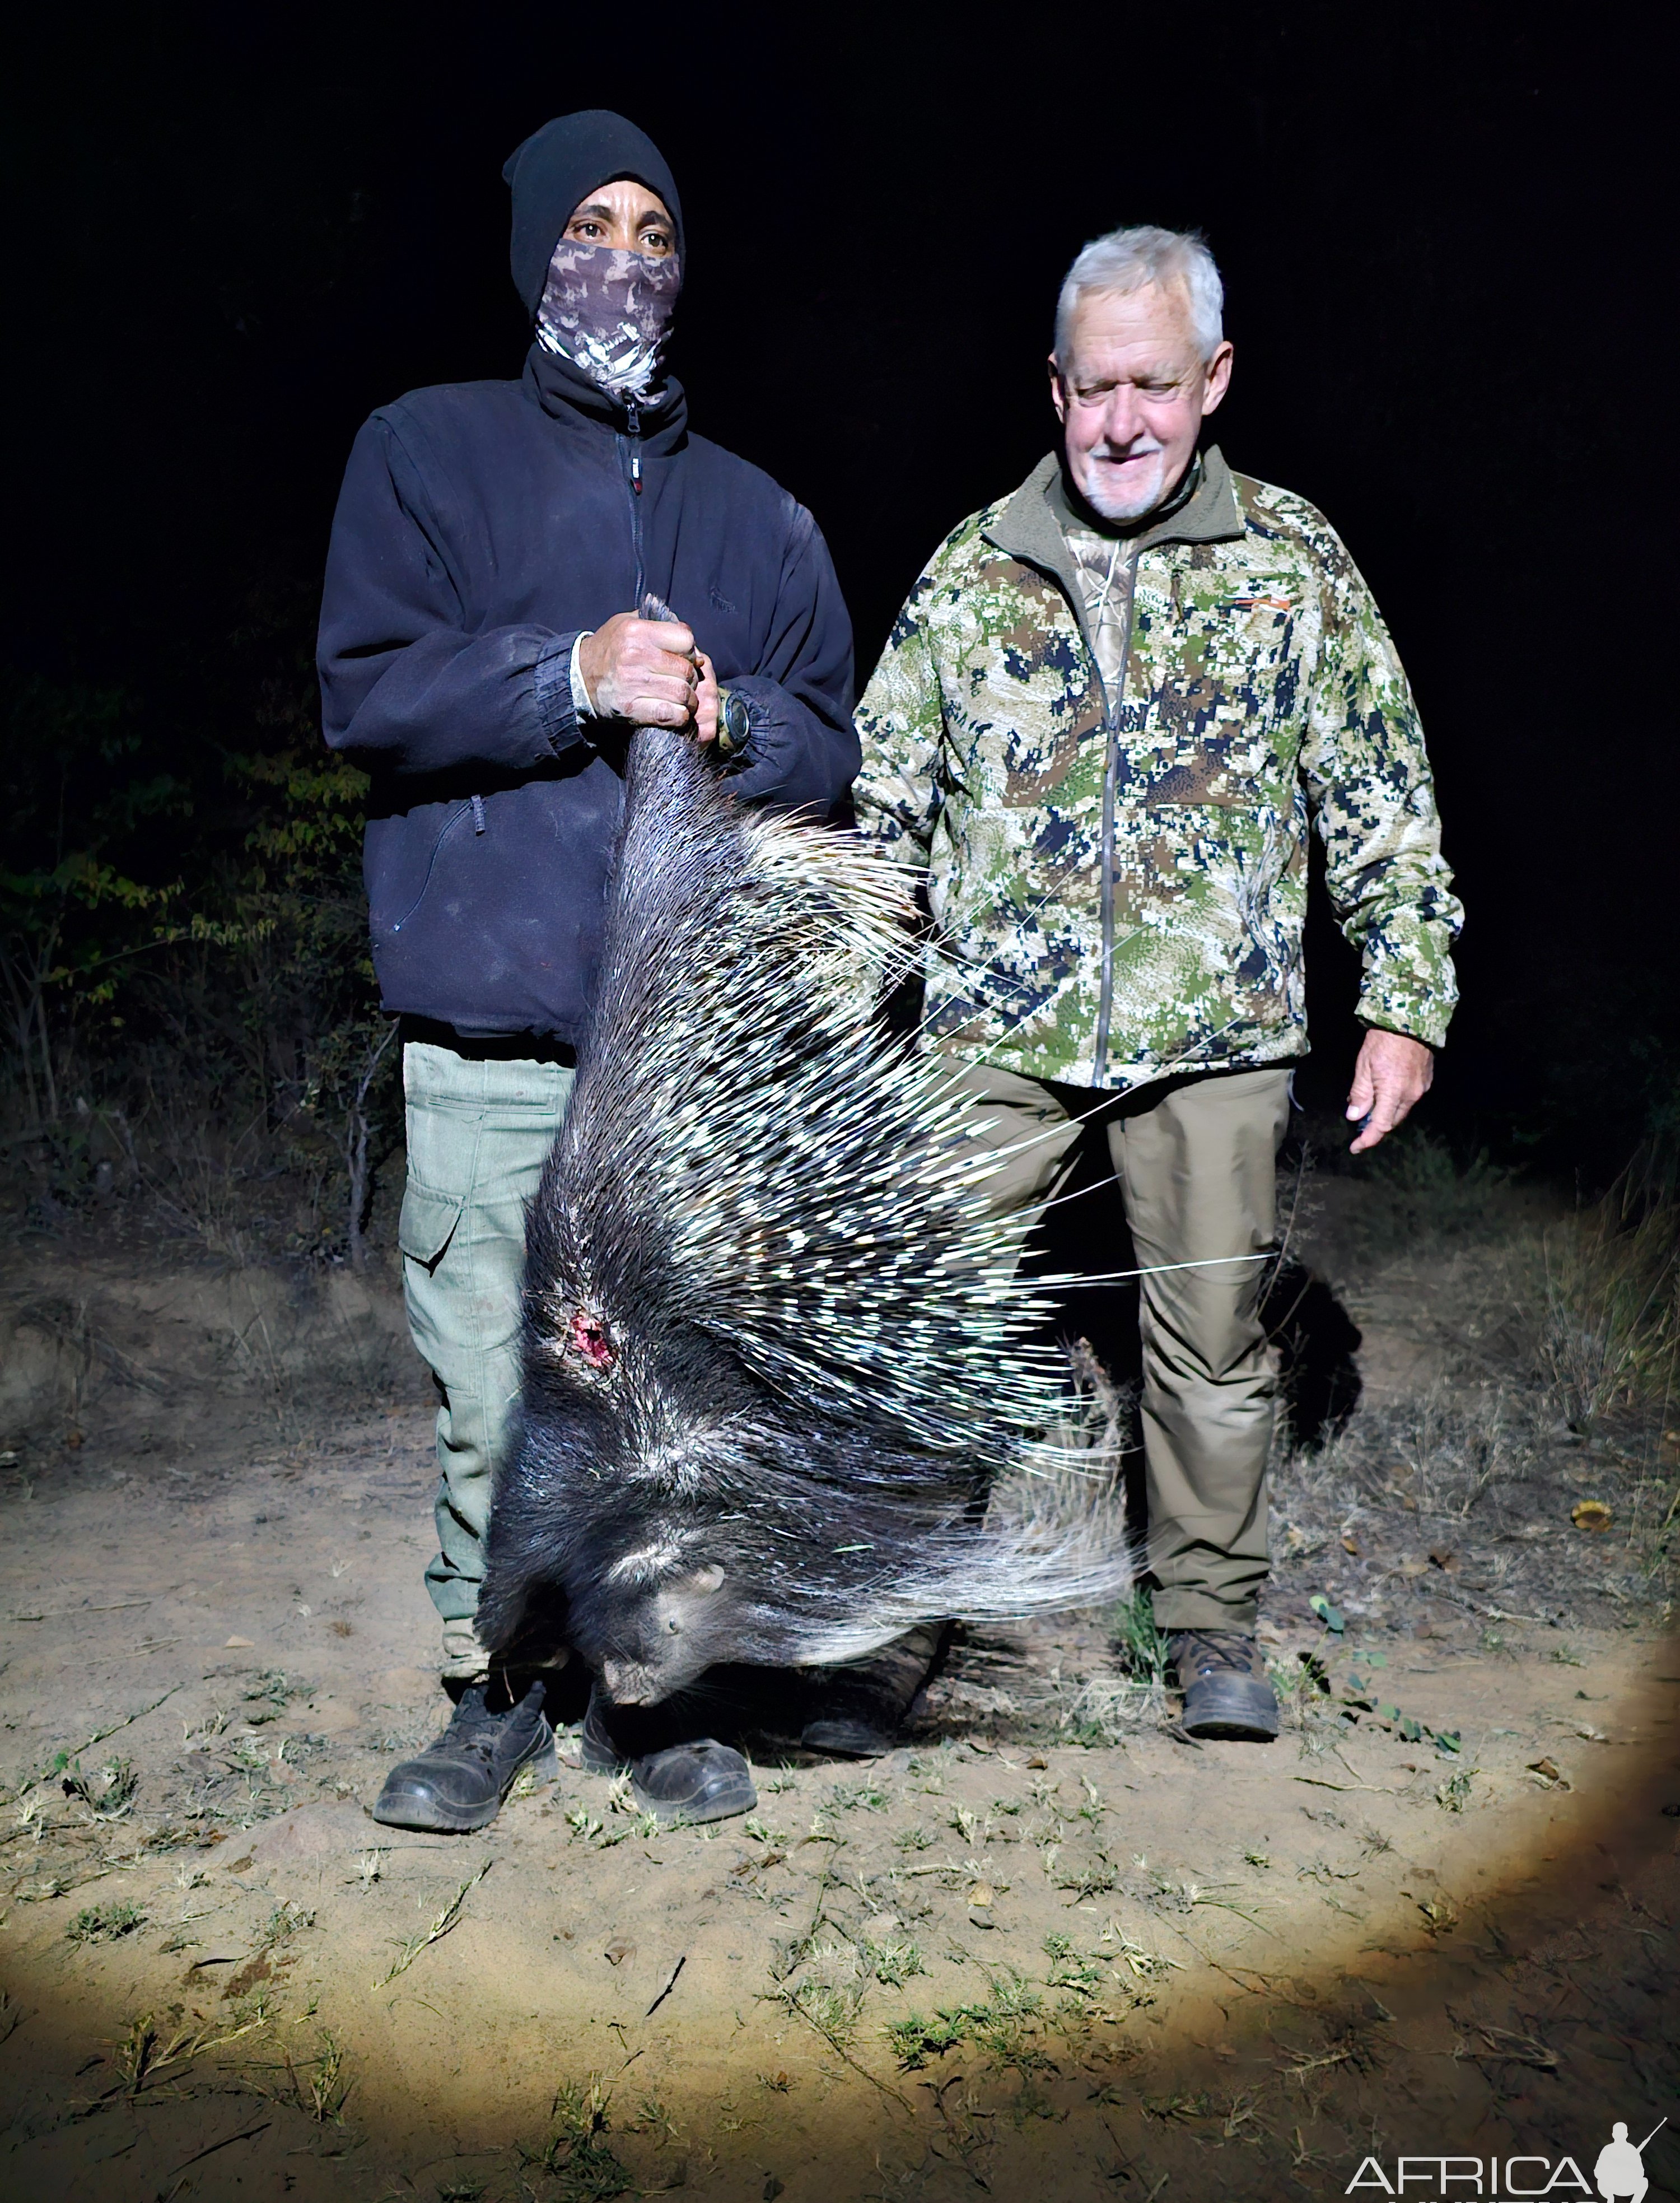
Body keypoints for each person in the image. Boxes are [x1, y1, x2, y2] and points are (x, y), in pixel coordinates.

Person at [318, 111, 859, 1830]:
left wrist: (727, 715)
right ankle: (493, 1695)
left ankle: (637, 1696)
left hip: (680, 1056)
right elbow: (370, 698)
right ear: (533, 248)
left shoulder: (756, 514)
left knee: (656, 1397)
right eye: (589, 225)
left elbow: (825, 736)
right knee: (497, 1389)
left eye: (653, 231)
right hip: (490, 1038)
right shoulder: (425, 452)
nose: (620, 256)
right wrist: (569, 671)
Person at [853, 225, 1462, 1740]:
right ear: (1053, 389)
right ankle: (881, 1618)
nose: (1124, 421)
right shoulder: (972, 567)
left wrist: (1407, 998)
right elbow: (880, 810)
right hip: (997, 1020)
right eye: (1094, 389)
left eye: (1157, 386)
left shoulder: (1294, 561)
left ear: (1216, 380)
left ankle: (1208, 1628)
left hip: (1216, 1030)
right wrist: (836, 998)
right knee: (928, 1316)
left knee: (1211, 1339)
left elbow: (1380, 796)